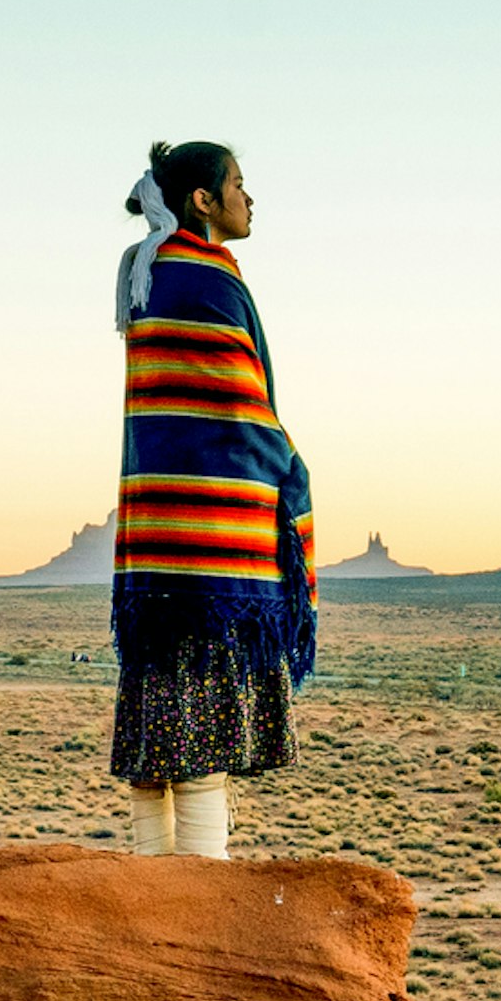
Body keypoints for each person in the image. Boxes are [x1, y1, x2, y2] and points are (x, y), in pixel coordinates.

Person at [110, 140, 312, 857]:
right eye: (237, 184)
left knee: (158, 714)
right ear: (202, 199)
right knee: (200, 734)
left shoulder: (147, 273)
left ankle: (153, 895)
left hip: (155, 542)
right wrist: (287, 465)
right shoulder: (205, 280)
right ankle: (201, 894)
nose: (248, 198)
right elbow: (235, 407)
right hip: (213, 551)